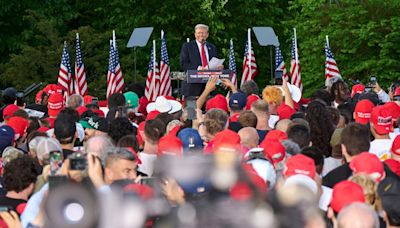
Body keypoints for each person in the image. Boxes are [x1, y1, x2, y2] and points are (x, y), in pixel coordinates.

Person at [180, 24, 222, 98]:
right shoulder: (187, 46)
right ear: (195, 34)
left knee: (210, 109)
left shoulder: (212, 47)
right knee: (192, 109)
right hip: (192, 87)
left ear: (207, 34)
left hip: (210, 85)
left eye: (203, 33)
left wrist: (219, 66)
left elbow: (215, 62)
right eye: (199, 33)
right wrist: (199, 68)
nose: (201, 35)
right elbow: (183, 64)